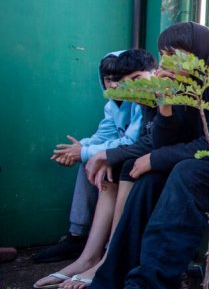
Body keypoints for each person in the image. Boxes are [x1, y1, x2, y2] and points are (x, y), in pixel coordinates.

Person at [90, 22, 209, 289]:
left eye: (174, 53)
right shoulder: (181, 86)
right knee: (149, 180)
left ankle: (149, 283)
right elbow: (165, 143)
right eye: (163, 54)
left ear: (198, 51)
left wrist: (154, 159)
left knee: (187, 171)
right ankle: (109, 281)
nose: (165, 61)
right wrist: (165, 103)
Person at [34, 49, 157, 289]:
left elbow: (134, 141)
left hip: (141, 158)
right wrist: (82, 149)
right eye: (108, 79)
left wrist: (92, 153)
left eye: (119, 79)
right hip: (130, 153)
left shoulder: (143, 99)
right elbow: (105, 135)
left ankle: (108, 256)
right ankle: (80, 242)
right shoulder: (113, 105)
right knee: (92, 162)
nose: (113, 84)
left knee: (106, 163)